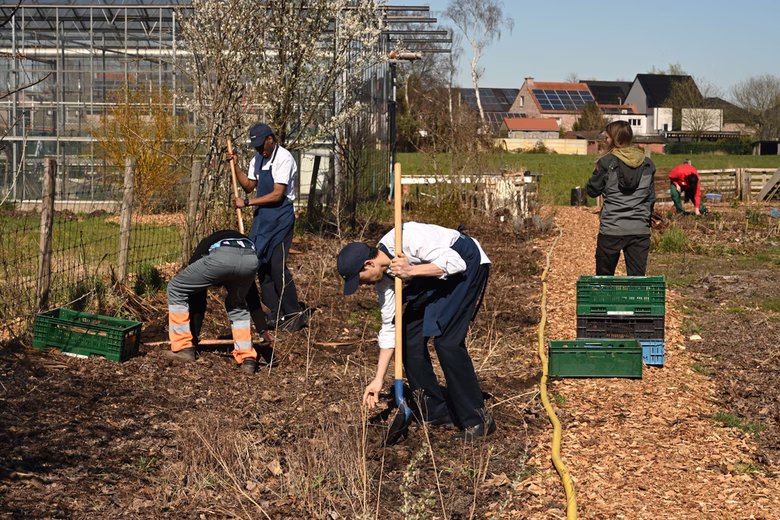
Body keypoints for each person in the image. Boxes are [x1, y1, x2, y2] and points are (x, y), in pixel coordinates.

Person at [337, 222, 494, 441]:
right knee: (408, 336)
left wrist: (410, 270)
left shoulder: (408, 238)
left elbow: (455, 263)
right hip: (433, 276)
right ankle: (435, 411)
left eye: (360, 280)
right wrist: (378, 379)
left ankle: (477, 419)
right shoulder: (383, 279)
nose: (362, 287)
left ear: (368, 264)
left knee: (447, 341)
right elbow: (389, 327)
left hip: (467, 264)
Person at [227, 123, 308, 332]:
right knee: (262, 265)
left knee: (277, 266)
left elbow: (277, 194)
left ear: (270, 139)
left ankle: (293, 313)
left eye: (261, 145)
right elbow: (248, 185)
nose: (259, 149)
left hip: (280, 218)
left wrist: (247, 203)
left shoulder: (284, 158)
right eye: (255, 146)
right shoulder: (257, 159)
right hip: (263, 218)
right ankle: (275, 314)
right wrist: (235, 166)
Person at [164, 230, 265, 374]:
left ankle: (182, 347)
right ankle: (247, 357)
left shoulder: (204, 245)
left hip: (221, 258)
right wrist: (262, 328)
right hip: (251, 260)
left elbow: (196, 295)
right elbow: (252, 294)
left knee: (176, 288)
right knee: (237, 304)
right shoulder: (241, 241)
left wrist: (193, 337)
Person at [585, 120, 656, 276]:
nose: (605, 140)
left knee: (604, 278)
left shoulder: (606, 163)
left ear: (615, 139)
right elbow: (651, 199)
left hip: (611, 228)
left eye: (607, 137)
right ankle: (633, 301)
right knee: (637, 281)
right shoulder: (648, 165)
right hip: (639, 230)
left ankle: (607, 301)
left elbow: (591, 190)